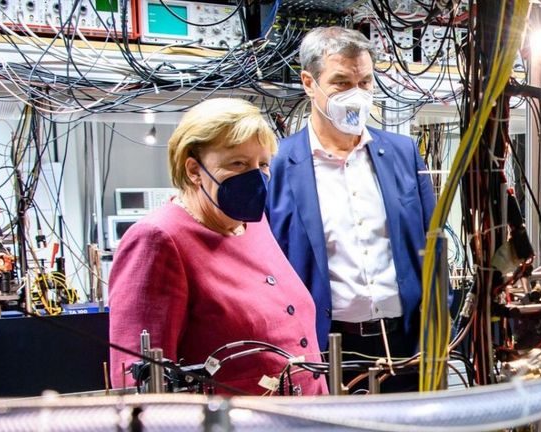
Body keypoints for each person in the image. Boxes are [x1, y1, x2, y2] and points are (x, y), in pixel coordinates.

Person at [108, 98, 327, 396]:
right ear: (194, 170)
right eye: (238, 163)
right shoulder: (159, 239)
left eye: (262, 164)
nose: (255, 177)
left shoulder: (253, 223)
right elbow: (137, 382)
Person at [267, 27, 436, 391]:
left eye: (365, 81)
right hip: (326, 350)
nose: (356, 95)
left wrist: (436, 333)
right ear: (309, 83)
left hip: (405, 346)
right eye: (341, 83)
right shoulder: (278, 164)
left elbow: (431, 248)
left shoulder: (403, 153)